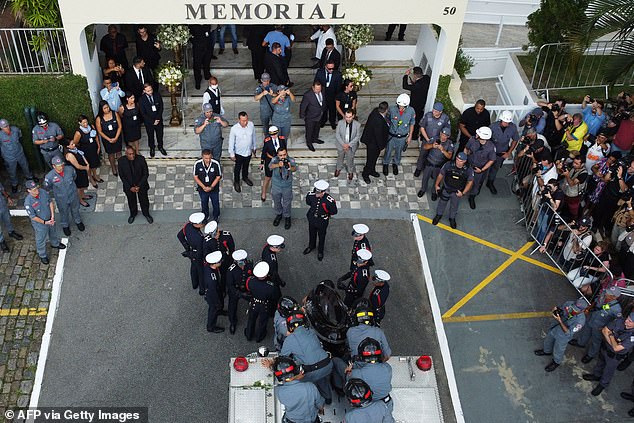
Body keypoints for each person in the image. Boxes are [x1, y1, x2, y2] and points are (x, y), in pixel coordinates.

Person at [282, 311, 333, 403]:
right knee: (321, 378)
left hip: (311, 372)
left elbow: (282, 360)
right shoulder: (312, 332)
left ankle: (312, 401)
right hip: (327, 365)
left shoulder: (289, 339)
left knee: (300, 381)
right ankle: (328, 398)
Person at [583, 312, 634, 396]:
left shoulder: (632, 336)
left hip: (614, 356)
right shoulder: (619, 321)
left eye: (630, 321)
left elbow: (616, 348)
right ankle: (596, 375)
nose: (626, 321)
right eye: (628, 318)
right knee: (600, 363)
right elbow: (604, 330)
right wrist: (613, 342)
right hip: (605, 348)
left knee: (608, 370)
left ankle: (603, 384)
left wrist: (610, 335)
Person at [570, 286, 622, 364]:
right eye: (608, 292)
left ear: (614, 297)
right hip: (591, 318)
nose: (606, 294)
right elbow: (595, 302)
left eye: (609, 294)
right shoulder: (603, 294)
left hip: (600, 326)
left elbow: (617, 321)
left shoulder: (617, 309)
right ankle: (580, 343)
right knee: (585, 332)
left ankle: (590, 355)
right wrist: (588, 308)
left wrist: (606, 328)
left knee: (596, 341)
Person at [534, 297, 587, 372]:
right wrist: (555, 310)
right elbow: (560, 308)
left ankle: (556, 362)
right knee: (548, 340)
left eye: (576, 310)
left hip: (563, 335)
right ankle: (546, 351)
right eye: (573, 308)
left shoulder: (580, 322)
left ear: (582, 310)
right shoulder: (569, 303)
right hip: (555, 327)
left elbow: (568, 332)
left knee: (558, 349)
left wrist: (560, 321)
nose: (573, 310)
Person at [24, 180, 65, 265]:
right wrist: (45, 222)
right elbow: (33, 217)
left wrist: (52, 215)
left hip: (50, 218)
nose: (37, 191)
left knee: (53, 231)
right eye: (34, 190)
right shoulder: (28, 202)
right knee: (41, 239)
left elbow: (50, 202)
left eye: (36, 188)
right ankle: (42, 254)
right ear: (29, 190)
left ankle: (55, 243)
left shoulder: (42, 192)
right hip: (40, 224)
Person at [273, 355, 325, 423]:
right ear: (296, 371)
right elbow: (320, 405)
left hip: (291, 420)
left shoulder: (279, 391)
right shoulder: (310, 387)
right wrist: (321, 411)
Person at [44, 156, 85, 236]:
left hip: (72, 194)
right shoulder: (49, 177)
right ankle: (65, 225)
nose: (61, 167)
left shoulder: (70, 169)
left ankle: (78, 221)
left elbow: (74, 177)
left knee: (75, 209)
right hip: (61, 198)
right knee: (63, 212)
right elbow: (47, 187)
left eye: (62, 165)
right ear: (54, 166)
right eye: (58, 166)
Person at [432, 152, 474, 229]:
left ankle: (452, 218)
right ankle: (439, 215)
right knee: (442, 203)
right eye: (457, 159)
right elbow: (441, 174)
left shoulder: (468, 169)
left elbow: (470, 182)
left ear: (464, 161)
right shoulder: (448, 164)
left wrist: (463, 193)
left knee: (454, 206)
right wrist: (436, 185)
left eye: (460, 161)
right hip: (446, 189)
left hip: (457, 192)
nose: (458, 162)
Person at [202, 220, 235, 311]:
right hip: (214, 263)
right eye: (213, 236)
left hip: (225, 260)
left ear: (218, 230)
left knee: (225, 275)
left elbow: (232, 248)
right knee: (216, 278)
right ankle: (220, 289)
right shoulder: (207, 241)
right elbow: (206, 254)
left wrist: (231, 260)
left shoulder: (226, 235)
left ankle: (224, 288)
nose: (216, 237)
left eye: (216, 234)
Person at [414, 102, 452, 178]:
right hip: (427, 139)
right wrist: (427, 139)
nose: (434, 112)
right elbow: (422, 127)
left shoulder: (445, 118)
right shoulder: (428, 116)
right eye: (433, 110)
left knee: (435, 155)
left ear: (440, 112)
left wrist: (442, 140)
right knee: (422, 154)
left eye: (436, 111)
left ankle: (430, 171)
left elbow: (447, 130)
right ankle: (419, 168)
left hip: (438, 141)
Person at [304, 179, 338, 261]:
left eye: (318, 193)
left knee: (322, 236)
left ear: (323, 192)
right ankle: (311, 246)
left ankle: (320, 251)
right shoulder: (310, 195)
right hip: (312, 217)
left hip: (322, 220)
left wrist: (326, 215)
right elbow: (308, 202)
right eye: (316, 192)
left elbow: (334, 211)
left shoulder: (329, 200)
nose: (316, 194)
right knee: (311, 233)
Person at [487, 110, 519, 194]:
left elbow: (515, 140)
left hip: (501, 153)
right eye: (505, 122)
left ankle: (490, 183)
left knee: (495, 168)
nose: (507, 124)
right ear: (501, 120)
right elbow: (486, 140)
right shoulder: (493, 127)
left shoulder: (513, 127)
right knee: (484, 168)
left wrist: (509, 152)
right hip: (489, 152)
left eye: (508, 122)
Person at [417, 127, 455, 200]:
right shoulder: (435, 138)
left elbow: (449, 156)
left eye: (446, 135)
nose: (443, 137)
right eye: (443, 134)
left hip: (439, 165)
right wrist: (432, 146)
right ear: (440, 133)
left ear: (448, 136)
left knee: (437, 180)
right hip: (429, 162)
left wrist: (443, 150)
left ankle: (434, 192)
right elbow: (425, 147)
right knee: (425, 178)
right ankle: (423, 189)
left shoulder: (449, 144)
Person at [117, 146, 152, 224]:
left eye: (133, 153)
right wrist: (130, 187)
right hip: (129, 186)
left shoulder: (141, 159)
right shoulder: (121, 161)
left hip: (141, 185)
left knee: (144, 200)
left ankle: (146, 213)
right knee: (131, 200)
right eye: (129, 154)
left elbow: (146, 174)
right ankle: (133, 214)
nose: (132, 156)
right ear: (126, 154)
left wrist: (139, 185)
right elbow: (122, 176)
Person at [464, 126, 496, 209]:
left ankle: (472, 197)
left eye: (478, 134)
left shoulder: (490, 147)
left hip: (479, 169)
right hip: (468, 165)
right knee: (464, 179)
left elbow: (491, 160)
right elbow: (466, 148)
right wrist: (464, 158)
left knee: (476, 184)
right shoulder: (472, 140)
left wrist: (482, 170)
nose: (476, 134)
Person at [383, 94, 416, 176]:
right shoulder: (392, 109)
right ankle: (385, 163)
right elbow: (386, 119)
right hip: (392, 136)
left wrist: (410, 136)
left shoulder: (411, 111)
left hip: (402, 136)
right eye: (399, 105)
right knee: (388, 151)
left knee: (399, 152)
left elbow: (412, 123)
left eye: (402, 106)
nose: (400, 107)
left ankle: (395, 164)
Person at [244, 261, 277, 342]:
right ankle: (259, 336)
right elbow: (273, 297)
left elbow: (248, 290)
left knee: (251, 319)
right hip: (264, 305)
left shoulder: (250, 280)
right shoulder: (270, 286)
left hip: (254, 302)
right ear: (265, 275)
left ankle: (249, 335)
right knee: (262, 321)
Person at [0, 119, 34, 193]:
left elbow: (19, 136)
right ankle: (14, 184)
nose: (7, 127)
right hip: (9, 157)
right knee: (12, 171)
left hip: (19, 153)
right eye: (5, 127)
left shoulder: (15, 130)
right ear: (1, 128)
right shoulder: (0, 135)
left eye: (8, 125)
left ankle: (29, 177)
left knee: (25, 165)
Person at [361, 102, 390, 184]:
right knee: (370, 160)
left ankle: (372, 170)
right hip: (373, 144)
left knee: (374, 159)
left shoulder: (375, 111)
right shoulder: (379, 121)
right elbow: (378, 136)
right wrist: (382, 146)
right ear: (386, 110)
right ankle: (365, 173)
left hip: (372, 141)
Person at [177, 212, 206, 295]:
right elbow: (200, 254)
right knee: (201, 272)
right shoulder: (199, 238)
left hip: (192, 252)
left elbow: (180, 236)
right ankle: (202, 290)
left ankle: (194, 284)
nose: (203, 224)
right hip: (197, 254)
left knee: (193, 268)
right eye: (201, 223)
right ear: (196, 224)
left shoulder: (187, 226)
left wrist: (187, 248)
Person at [226, 249, 253, 334]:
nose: (242, 265)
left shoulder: (249, 265)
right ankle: (233, 322)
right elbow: (230, 285)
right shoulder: (231, 270)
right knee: (232, 307)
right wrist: (240, 294)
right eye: (240, 263)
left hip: (246, 288)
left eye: (243, 262)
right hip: (236, 290)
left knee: (254, 301)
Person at [269, 146, 297, 229]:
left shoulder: (291, 160)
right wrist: (278, 165)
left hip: (287, 185)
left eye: (284, 155)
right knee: (276, 201)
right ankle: (279, 214)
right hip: (276, 185)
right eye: (281, 155)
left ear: (287, 154)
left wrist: (289, 167)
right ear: (278, 155)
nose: (283, 157)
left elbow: (294, 169)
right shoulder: (274, 160)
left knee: (287, 202)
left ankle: (287, 216)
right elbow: (270, 167)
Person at [228, 111, 256, 193]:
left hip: (248, 152)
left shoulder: (251, 125)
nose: (245, 122)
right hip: (239, 153)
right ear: (239, 120)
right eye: (243, 120)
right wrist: (231, 154)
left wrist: (254, 147)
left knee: (246, 166)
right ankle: (236, 181)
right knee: (237, 168)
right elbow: (231, 142)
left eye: (246, 120)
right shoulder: (234, 129)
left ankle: (245, 177)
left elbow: (253, 136)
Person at [193, 149, 222, 222]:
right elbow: (195, 177)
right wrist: (204, 187)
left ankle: (216, 216)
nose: (208, 160)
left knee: (215, 203)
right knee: (204, 203)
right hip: (202, 189)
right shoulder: (197, 164)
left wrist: (211, 187)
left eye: (209, 158)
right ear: (202, 157)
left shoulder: (216, 164)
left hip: (214, 188)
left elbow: (218, 177)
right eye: (206, 158)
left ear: (211, 156)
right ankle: (205, 216)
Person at [95, 100, 123, 176]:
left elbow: (120, 126)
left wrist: (116, 137)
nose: (107, 109)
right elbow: (100, 131)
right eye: (105, 108)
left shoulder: (115, 114)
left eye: (107, 107)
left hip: (116, 136)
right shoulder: (99, 118)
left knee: (119, 152)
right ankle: (113, 168)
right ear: (101, 109)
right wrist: (109, 139)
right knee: (111, 154)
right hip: (107, 139)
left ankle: (121, 167)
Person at [402, 67, 431, 141]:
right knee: (418, 119)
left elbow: (405, 86)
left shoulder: (417, 86)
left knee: (415, 120)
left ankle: (414, 136)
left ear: (415, 75)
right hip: (422, 103)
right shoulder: (426, 78)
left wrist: (406, 75)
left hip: (415, 105)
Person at [139, 83, 167, 158]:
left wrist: (157, 118)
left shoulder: (157, 95)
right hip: (149, 122)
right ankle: (152, 148)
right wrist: (152, 121)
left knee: (160, 134)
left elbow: (161, 107)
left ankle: (160, 146)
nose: (150, 92)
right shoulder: (142, 99)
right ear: (144, 91)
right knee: (150, 135)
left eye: (151, 90)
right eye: (148, 91)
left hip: (158, 119)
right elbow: (143, 113)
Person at [73, 115, 101, 187]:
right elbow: (75, 143)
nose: (85, 124)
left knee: (94, 163)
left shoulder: (91, 126)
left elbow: (96, 136)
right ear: (79, 123)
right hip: (85, 150)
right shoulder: (78, 133)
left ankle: (95, 175)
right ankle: (91, 178)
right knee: (88, 165)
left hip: (93, 148)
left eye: (86, 122)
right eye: (83, 123)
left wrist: (98, 146)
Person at [260, 126, 287, 202]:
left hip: (280, 160)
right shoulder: (267, 141)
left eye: (275, 134)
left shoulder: (282, 139)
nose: (273, 136)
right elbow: (264, 152)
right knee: (268, 177)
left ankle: (278, 191)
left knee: (279, 176)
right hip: (270, 160)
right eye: (272, 135)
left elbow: (285, 149)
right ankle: (264, 192)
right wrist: (262, 162)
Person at [63, 139, 92, 208]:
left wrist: (86, 164)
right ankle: (80, 200)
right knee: (78, 187)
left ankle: (83, 195)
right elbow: (77, 166)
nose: (74, 145)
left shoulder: (75, 149)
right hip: (76, 172)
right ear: (67, 146)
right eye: (72, 144)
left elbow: (82, 155)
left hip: (81, 170)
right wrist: (86, 167)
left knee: (82, 185)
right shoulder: (69, 154)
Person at [314, 60, 342, 130]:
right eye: (329, 68)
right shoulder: (320, 72)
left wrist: (337, 97)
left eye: (333, 68)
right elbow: (316, 82)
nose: (331, 70)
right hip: (323, 94)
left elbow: (339, 87)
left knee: (332, 110)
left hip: (333, 95)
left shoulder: (338, 74)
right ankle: (323, 121)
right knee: (323, 109)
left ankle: (332, 122)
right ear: (326, 67)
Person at [558, 154, 588, 220]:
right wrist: (560, 168)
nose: (574, 164)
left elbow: (572, 184)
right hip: (565, 192)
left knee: (573, 212)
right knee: (563, 209)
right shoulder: (572, 167)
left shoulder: (584, 174)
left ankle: (572, 222)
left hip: (573, 196)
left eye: (576, 163)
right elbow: (561, 173)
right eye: (574, 162)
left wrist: (567, 175)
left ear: (582, 164)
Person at [300, 81, 327, 152]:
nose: (318, 91)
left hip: (319, 115)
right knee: (309, 130)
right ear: (313, 88)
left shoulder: (323, 90)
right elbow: (303, 106)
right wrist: (303, 116)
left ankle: (315, 139)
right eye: (317, 89)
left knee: (317, 128)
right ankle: (309, 143)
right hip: (310, 116)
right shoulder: (307, 95)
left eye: (319, 89)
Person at [262, 234, 286, 313]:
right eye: (278, 247)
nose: (280, 249)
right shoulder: (272, 261)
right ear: (273, 247)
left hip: (267, 273)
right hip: (271, 279)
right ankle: (273, 311)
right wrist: (280, 282)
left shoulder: (266, 248)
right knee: (276, 296)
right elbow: (274, 274)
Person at [335, 109, 361, 180]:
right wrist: (343, 144)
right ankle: (338, 168)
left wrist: (348, 145)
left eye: (349, 117)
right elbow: (337, 135)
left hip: (351, 146)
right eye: (346, 116)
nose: (348, 118)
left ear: (353, 116)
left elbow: (357, 137)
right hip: (341, 145)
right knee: (340, 157)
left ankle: (350, 171)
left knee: (350, 159)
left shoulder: (357, 125)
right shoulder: (340, 123)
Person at [204, 250, 225, 333]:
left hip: (215, 290)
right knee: (213, 310)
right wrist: (217, 303)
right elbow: (213, 292)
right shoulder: (212, 278)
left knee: (218, 305)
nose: (221, 262)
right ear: (214, 264)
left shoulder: (208, 267)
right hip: (212, 295)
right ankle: (211, 326)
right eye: (219, 261)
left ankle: (220, 311)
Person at [188, 25, 213, 90]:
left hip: (207, 46)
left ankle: (207, 74)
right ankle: (197, 81)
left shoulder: (206, 23)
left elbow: (209, 33)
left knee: (207, 61)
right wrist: (196, 43)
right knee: (197, 65)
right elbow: (190, 36)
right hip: (197, 48)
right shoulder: (193, 25)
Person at [0, 182, 23, 253]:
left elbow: (2, 189)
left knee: (7, 219)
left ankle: (11, 232)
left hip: (2, 204)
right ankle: (1, 241)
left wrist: (8, 197)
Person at [254, 73, 278, 137]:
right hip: (264, 111)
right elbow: (256, 98)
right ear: (261, 80)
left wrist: (272, 94)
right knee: (265, 126)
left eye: (267, 80)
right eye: (264, 81)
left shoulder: (274, 86)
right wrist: (262, 93)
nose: (266, 82)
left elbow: (279, 95)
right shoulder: (259, 88)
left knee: (276, 125)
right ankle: (267, 138)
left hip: (274, 109)